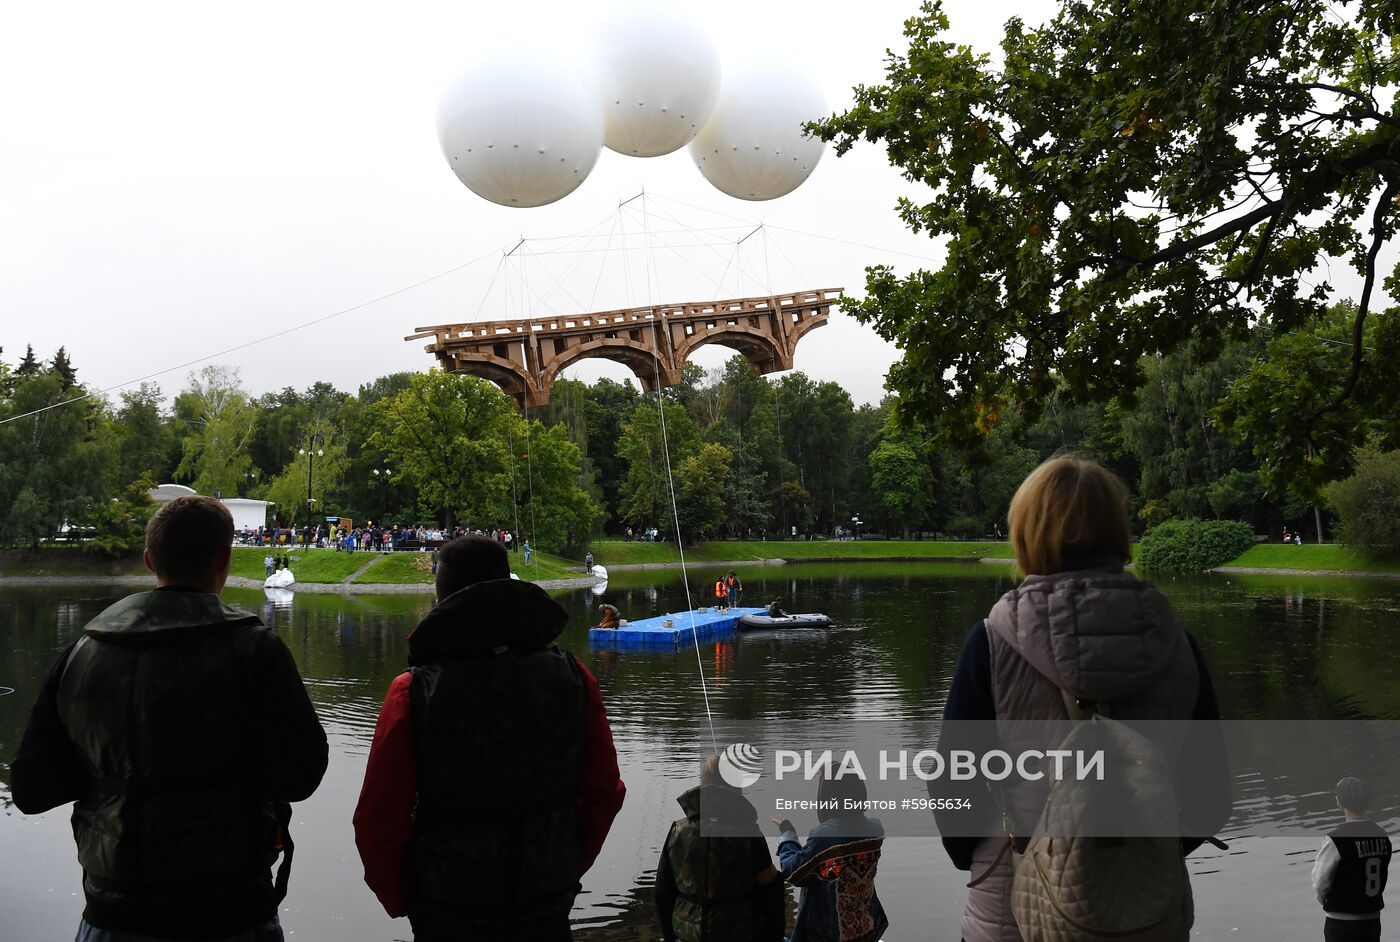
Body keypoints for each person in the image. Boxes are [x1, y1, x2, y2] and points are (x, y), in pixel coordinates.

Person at [933, 456, 1231, 942]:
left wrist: (990, 853)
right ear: (1118, 531)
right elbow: (1210, 794)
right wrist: (1142, 849)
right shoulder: (1179, 644)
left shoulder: (990, 643)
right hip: (1146, 911)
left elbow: (952, 786)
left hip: (1016, 903)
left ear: (1027, 532)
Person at [10, 495, 329, 942]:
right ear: (225, 558)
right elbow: (301, 776)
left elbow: (30, 789)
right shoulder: (256, 651)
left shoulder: (82, 654)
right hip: (234, 909)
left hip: (115, 909)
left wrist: (114, 770)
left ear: (148, 559)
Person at [353, 535, 626, 941]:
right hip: (547, 903)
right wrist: (564, 865)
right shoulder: (573, 676)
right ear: (507, 586)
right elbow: (605, 792)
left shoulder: (412, 692)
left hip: (448, 911)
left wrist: (405, 899)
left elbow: (379, 822)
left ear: (442, 597)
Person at [655, 755, 784, 942]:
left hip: (687, 935)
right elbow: (771, 889)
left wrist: (669, 936)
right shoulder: (748, 831)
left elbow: (662, 892)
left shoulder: (678, 830)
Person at [773, 769, 888, 942]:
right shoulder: (875, 829)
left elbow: (793, 873)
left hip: (826, 936)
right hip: (867, 931)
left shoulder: (824, 836)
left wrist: (787, 833)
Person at [1313, 776, 1391, 941]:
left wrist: (1325, 902)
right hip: (1372, 919)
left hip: (1341, 922)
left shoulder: (1336, 839)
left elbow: (1321, 882)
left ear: (1340, 803)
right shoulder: (1382, 835)